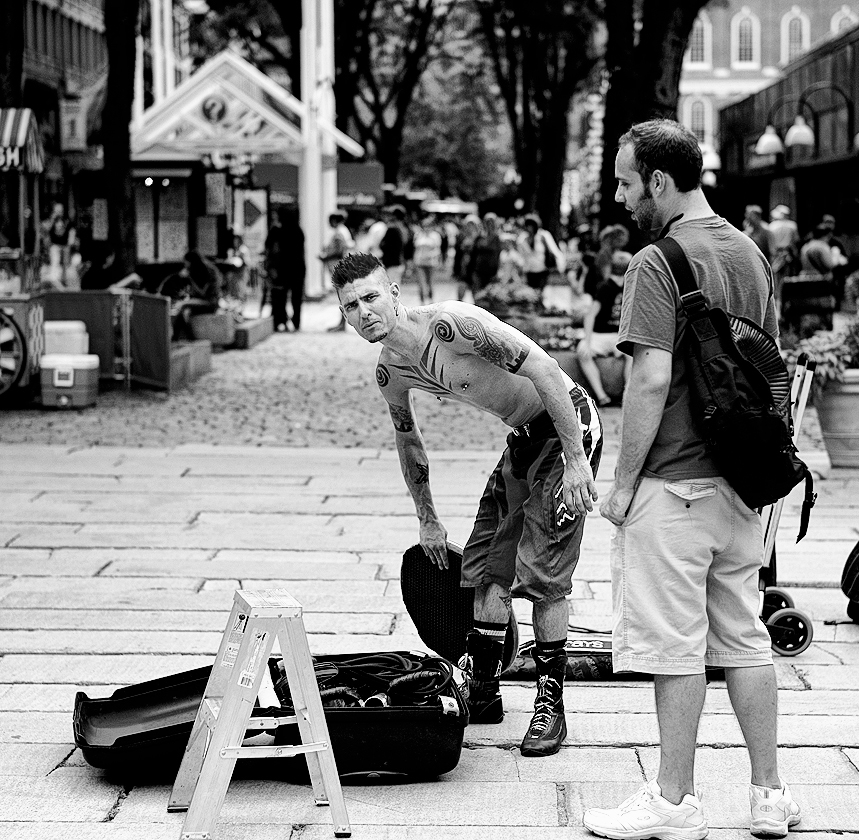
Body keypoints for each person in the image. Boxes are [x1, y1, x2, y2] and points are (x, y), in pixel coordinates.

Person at [582, 119, 798, 840]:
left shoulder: (656, 261)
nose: (620, 197)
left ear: (659, 181)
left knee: (675, 647)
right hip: (741, 484)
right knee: (744, 638)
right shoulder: (750, 252)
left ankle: (674, 801)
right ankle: (768, 795)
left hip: (673, 482)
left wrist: (621, 485)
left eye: (625, 183)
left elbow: (649, 380)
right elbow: (769, 363)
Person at [331, 251, 601, 757]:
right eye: (351, 306)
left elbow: (545, 369)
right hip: (524, 438)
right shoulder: (392, 372)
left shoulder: (452, 325)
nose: (364, 312)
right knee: (484, 565)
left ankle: (551, 704)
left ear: (393, 293)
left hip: (567, 425)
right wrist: (428, 520)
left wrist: (576, 460)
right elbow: (409, 442)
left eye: (370, 297)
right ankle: (483, 690)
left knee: (543, 572)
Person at [576, 250, 632, 408]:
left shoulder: (630, 288)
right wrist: (587, 342)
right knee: (583, 351)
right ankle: (602, 396)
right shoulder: (605, 287)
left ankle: (627, 394)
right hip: (600, 336)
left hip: (619, 336)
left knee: (633, 353)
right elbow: (590, 316)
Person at [159, 251, 223, 341]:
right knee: (182, 309)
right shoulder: (199, 270)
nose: (185, 264)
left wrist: (189, 277)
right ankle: (178, 337)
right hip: (205, 301)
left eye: (186, 262)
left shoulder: (207, 271)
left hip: (210, 302)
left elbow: (203, 293)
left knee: (183, 305)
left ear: (191, 261)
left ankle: (186, 338)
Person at [265, 210, 306, 332]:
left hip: (282, 270)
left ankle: (281, 319)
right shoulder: (298, 231)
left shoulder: (278, 231)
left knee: (280, 296)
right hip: (298, 269)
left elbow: (270, 247)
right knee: (296, 298)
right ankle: (296, 322)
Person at [519, 213, 565, 292]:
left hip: (542, 270)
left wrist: (561, 267)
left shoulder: (543, 235)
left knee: (540, 292)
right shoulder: (523, 238)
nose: (530, 228)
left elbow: (555, 251)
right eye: (528, 225)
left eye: (531, 225)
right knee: (532, 293)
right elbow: (521, 255)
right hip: (529, 271)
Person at [466, 213, 503, 296]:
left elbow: (499, 255)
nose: (489, 224)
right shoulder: (479, 237)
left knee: (488, 296)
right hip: (478, 270)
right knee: (477, 294)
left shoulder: (497, 238)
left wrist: (498, 271)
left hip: (492, 272)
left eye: (491, 222)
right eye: (487, 222)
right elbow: (473, 254)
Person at [412, 215, 443, 304]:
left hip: (431, 262)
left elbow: (438, 249)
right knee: (421, 282)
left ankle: (430, 298)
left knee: (430, 282)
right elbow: (415, 248)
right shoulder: (418, 235)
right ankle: (422, 300)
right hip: (419, 262)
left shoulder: (435, 236)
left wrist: (437, 259)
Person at [767, 204, 800, 279]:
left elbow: (770, 243)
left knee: (775, 276)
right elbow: (796, 240)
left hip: (775, 254)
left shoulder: (771, 226)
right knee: (789, 276)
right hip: (789, 253)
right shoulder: (792, 225)